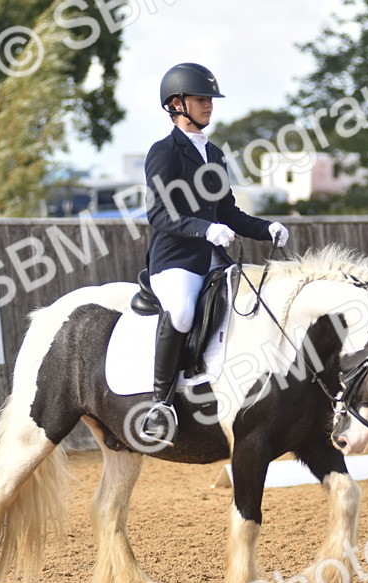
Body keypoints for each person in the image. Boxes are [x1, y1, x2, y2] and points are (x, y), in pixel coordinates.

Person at [138, 62, 289, 446]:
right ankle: (160, 404)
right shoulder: (164, 152)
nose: (209, 106)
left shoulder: (216, 155)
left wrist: (264, 227)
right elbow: (159, 213)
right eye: (201, 99)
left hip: (215, 260)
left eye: (210, 99)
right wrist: (204, 229)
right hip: (175, 260)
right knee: (184, 311)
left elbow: (228, 213)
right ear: (176, 104)